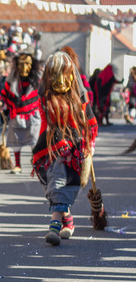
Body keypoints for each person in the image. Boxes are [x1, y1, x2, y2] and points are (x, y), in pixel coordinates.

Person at [32, 51, 98, 246]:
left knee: (59, 184)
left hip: (74, 151)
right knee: (54, 186)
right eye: (55, 75)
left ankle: (54, 226)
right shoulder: (45, 100)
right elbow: (45, 126)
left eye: (64, 74)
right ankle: (67, 221)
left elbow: (91, 125)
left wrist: (89, 145)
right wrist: (40, 151)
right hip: (50, 148)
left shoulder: (80, 102)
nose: (60, 80)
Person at [0, 50, 42, 174]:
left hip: (33, 114)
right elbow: (5, 93)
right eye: (21, 64)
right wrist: (1, 102)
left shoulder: (37, 80)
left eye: (27, 64)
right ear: (17, 65)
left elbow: (43, 94)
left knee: (35, 140)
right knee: (16, 141)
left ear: (32, 64)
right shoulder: (12, 80)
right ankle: (17, 165)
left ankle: (35, 162)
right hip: (16, 113)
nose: (24, 67)